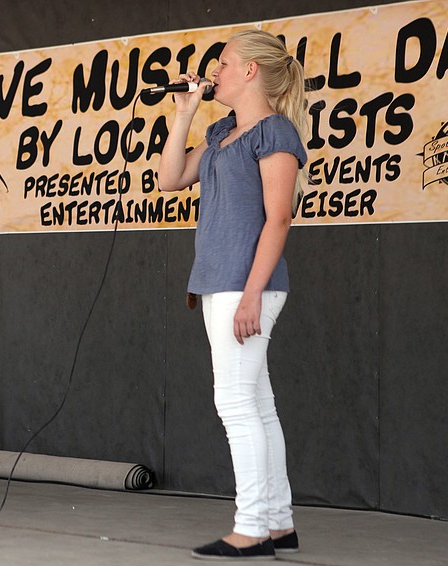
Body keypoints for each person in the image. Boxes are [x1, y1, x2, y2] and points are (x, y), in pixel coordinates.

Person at [157, 30, 308, 560]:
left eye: (223, 63)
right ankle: (278, 522)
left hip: (246, 286)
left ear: (250, 71)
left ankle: (251, 526)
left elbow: (278, 218)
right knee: (258, 405)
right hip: (220, 282)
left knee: (237, 403)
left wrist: (252, 294)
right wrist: (184, 112)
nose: (213, 71)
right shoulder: (222, 129)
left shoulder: (276, 133)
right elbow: (170, 178)